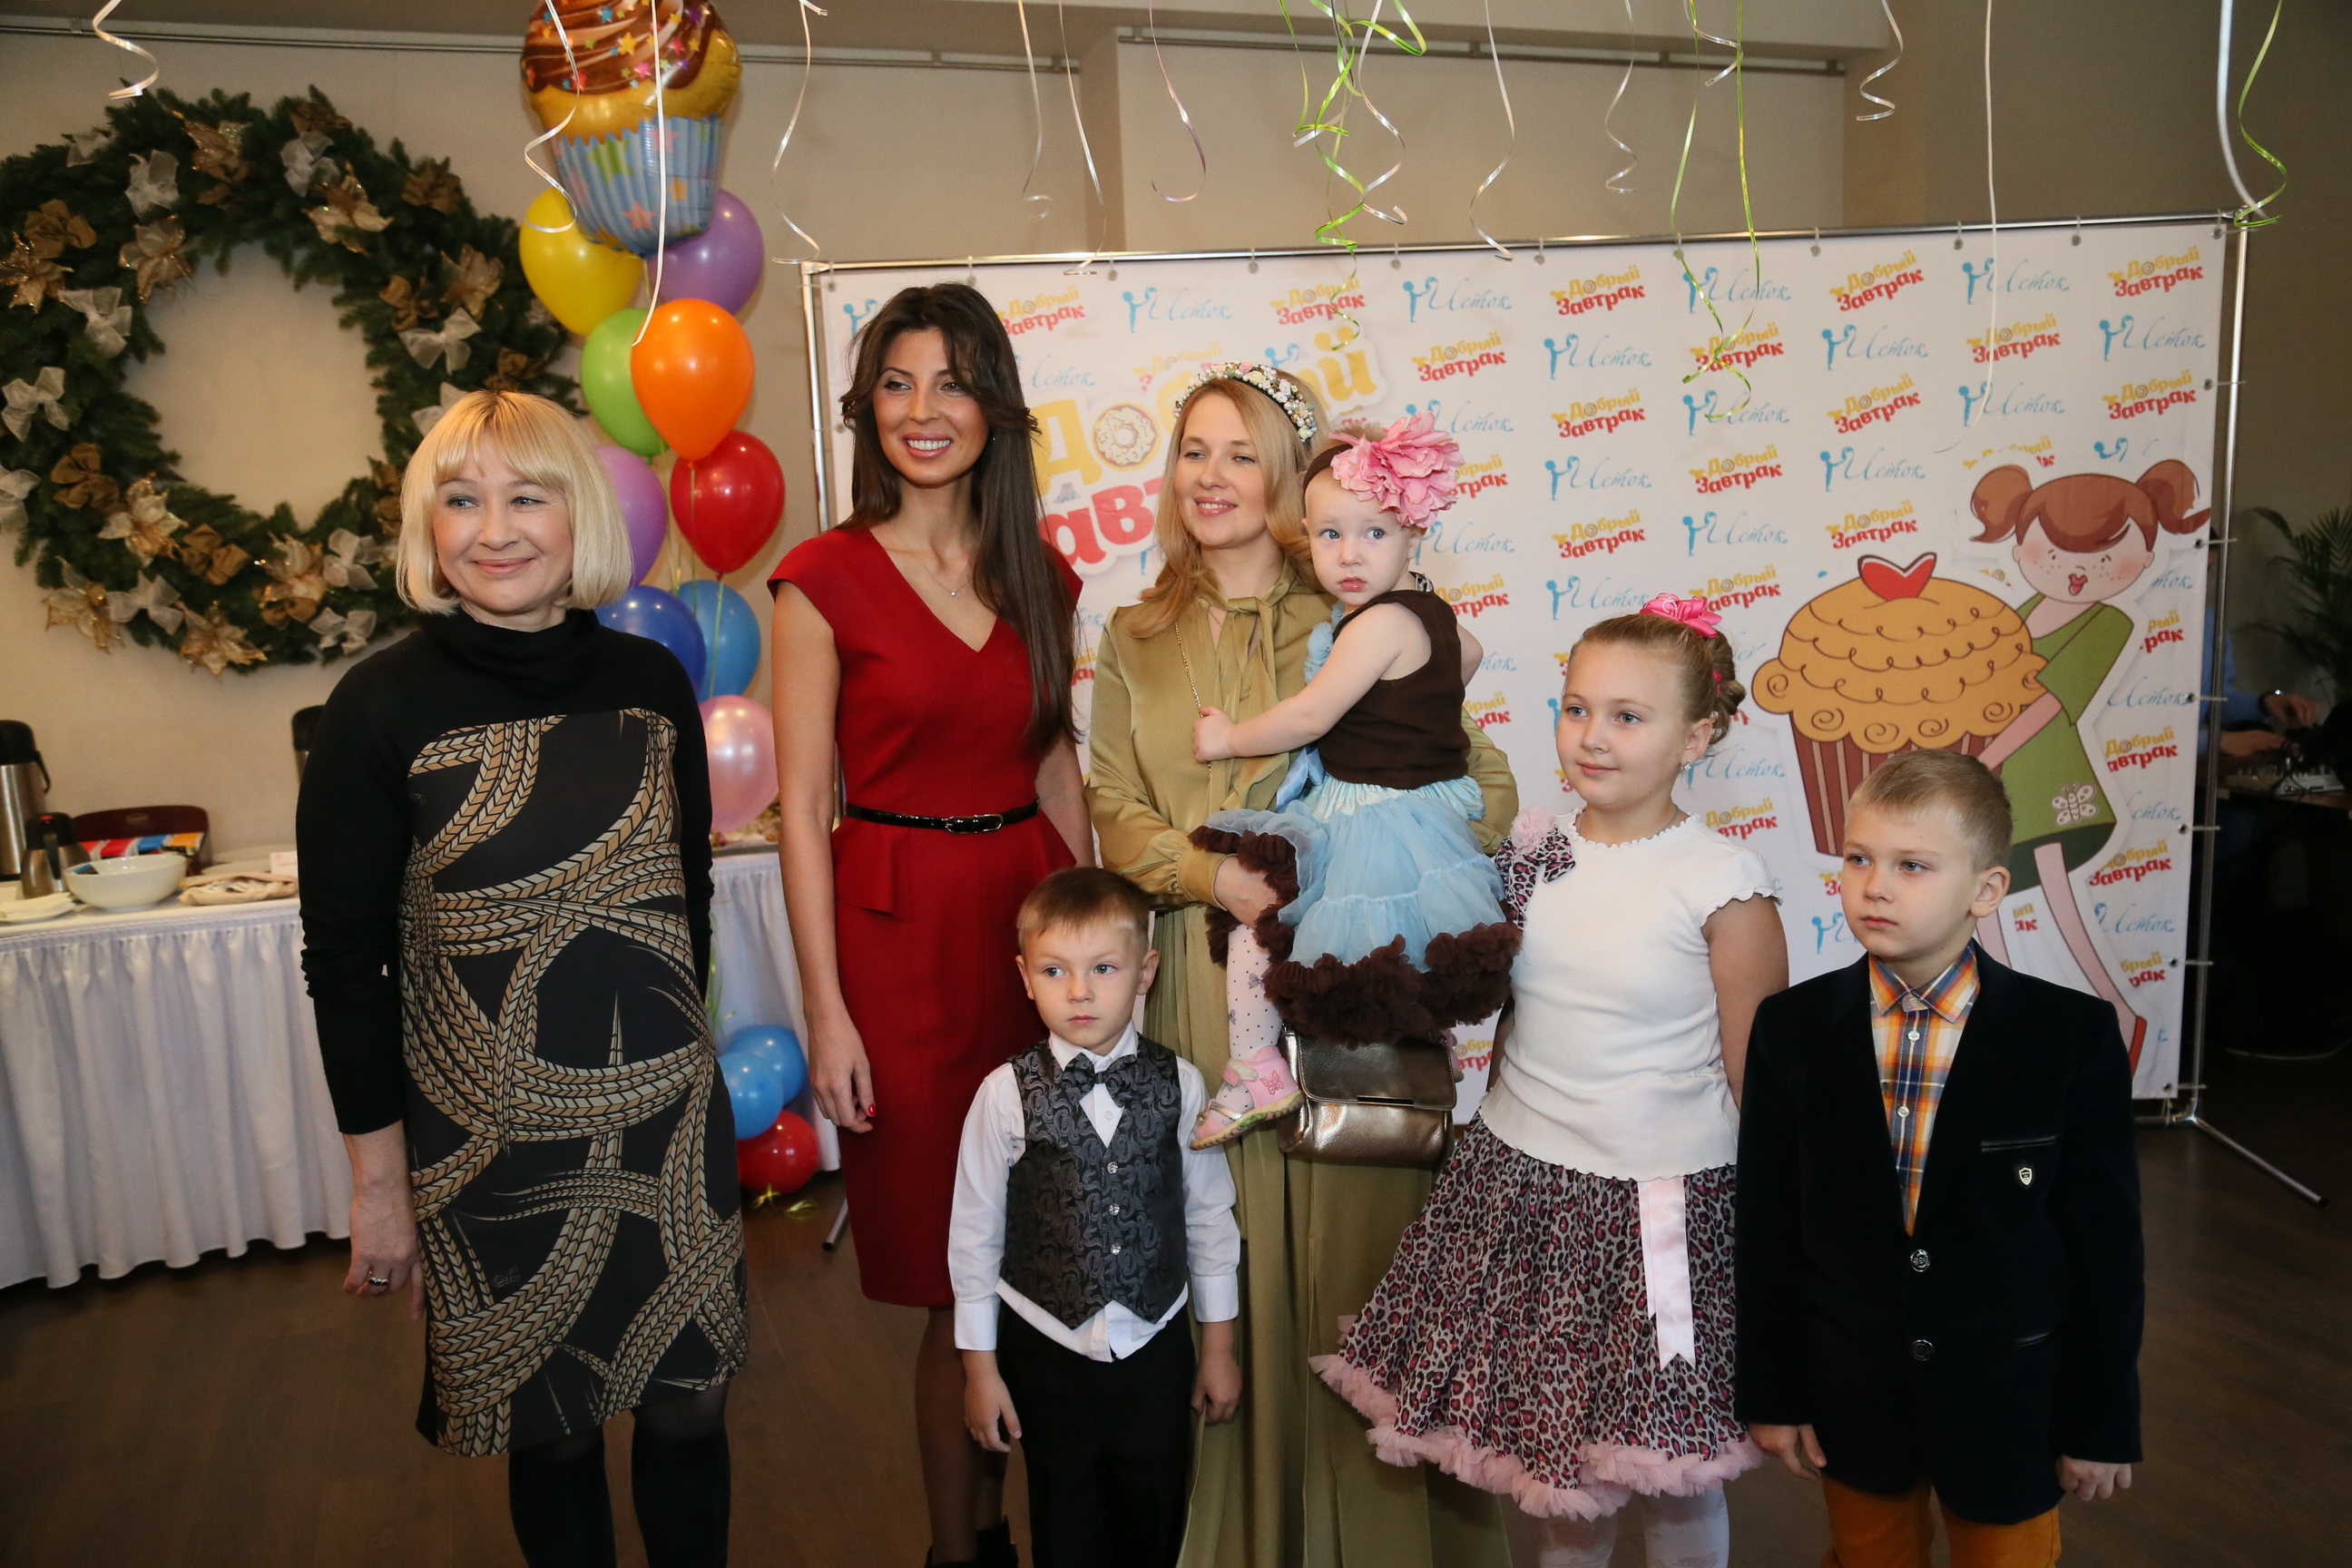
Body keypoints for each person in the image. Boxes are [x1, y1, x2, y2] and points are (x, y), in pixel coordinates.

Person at [1084, 362, 1519, 1568]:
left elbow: (1482, 783)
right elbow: (1113, 804)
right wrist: (1210, 877)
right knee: (1221, 1261)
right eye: (1194, 450)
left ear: (1295, 477)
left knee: (1360, 1269)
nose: (1213, 476)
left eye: (1244, 452)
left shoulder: (1356, 612)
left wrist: (1385, 853)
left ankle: (1389, 1542)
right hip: (1199, 975)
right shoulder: (1133, 635)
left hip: (1346, 972)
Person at [299, 389, 742, 1567]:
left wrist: (675, 1066)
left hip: (664, 1121)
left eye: (526, 496)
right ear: (427, 527)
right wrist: (380, 1188)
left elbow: (686, 898)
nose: (494, 530)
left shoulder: (652, 683)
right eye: (461, 500)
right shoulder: (376, 708)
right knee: (551, 1434)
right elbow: (344, 965)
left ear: (577, 512)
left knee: (692, 1407)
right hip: (489, 1141)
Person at [1316, 598, 1787, 1568]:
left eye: (1628, 716)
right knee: (1552, 1467)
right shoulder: (1531, 854)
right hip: (1524, 1196)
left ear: (1698, 735)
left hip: (1658, 1215)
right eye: (1577, 709)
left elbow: (1762, 1083)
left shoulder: (1722, 882)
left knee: (1671, 1466)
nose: (1593, 737)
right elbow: (1512, 1014)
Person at [770, 284, 1090, 1568]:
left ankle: (1056, 1531)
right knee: (956, 1281)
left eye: (951, 382)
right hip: (896, 951)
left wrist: (1106, 959)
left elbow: (1056, 771)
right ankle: (963, 1549)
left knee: (1054, 1258)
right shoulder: (821, 580)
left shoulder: (1041, 575)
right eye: (896, 384)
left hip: (1031, 935)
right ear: (867, 411)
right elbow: (802, 815)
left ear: (994, 406)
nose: (922, 410)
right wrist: (825, 1012)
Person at [1736, 750, 2144, 1567]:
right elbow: (1768, 1229)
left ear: (1985, 890)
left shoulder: (2069, 1037)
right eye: (1859, 859)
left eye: (1912, 866)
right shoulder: (1791, 1028)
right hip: (1856, 1399)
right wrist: (1774, 1393)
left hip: (2009, 1404)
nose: (1875, 886)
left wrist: (2102, 1420)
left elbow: (2106, 1249)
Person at [1187, 409, 1518, 1145]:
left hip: (1370, 813)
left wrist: (1228, 737)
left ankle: (1255, 1068)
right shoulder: (1430, 615)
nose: (1349, 556)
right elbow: (1468, 656)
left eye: (1374, 534)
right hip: (1429, 810)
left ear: (1413, 535)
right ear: (1305, 535)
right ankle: (1423, 1046)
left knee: (1261, 923)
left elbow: (1310, 717)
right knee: (1394, 952)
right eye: (1330, 535)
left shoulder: (1374, 624)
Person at [951, 867, 1244, 1568]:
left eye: (1103, 968)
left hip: (1156, 1345)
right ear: (1025, 977)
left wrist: (1218, 1347)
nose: (1079, 991)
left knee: (1156, 1517)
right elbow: (974, 1237)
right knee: (1065, 1523)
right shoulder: (1003, 1094)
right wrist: (980, 1370)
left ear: (1146, 972)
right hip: (1045, 1347)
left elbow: (1209, 1219)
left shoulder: (1182, 1083)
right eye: (1055, 970)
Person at [1968, 462, 2210, 1067]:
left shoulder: (2109, 622)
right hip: (1995, 774)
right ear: (2021, 550)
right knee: (1984, 892)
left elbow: (2052, 701)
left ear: (2145, 558)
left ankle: (2117, 1012)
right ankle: (1998, 1018)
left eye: (2104, 559)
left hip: (2048, 771)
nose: (2078, 572)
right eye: (2055, 554)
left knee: (2056, 890)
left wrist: (1986, 757)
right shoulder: (2017, 612)